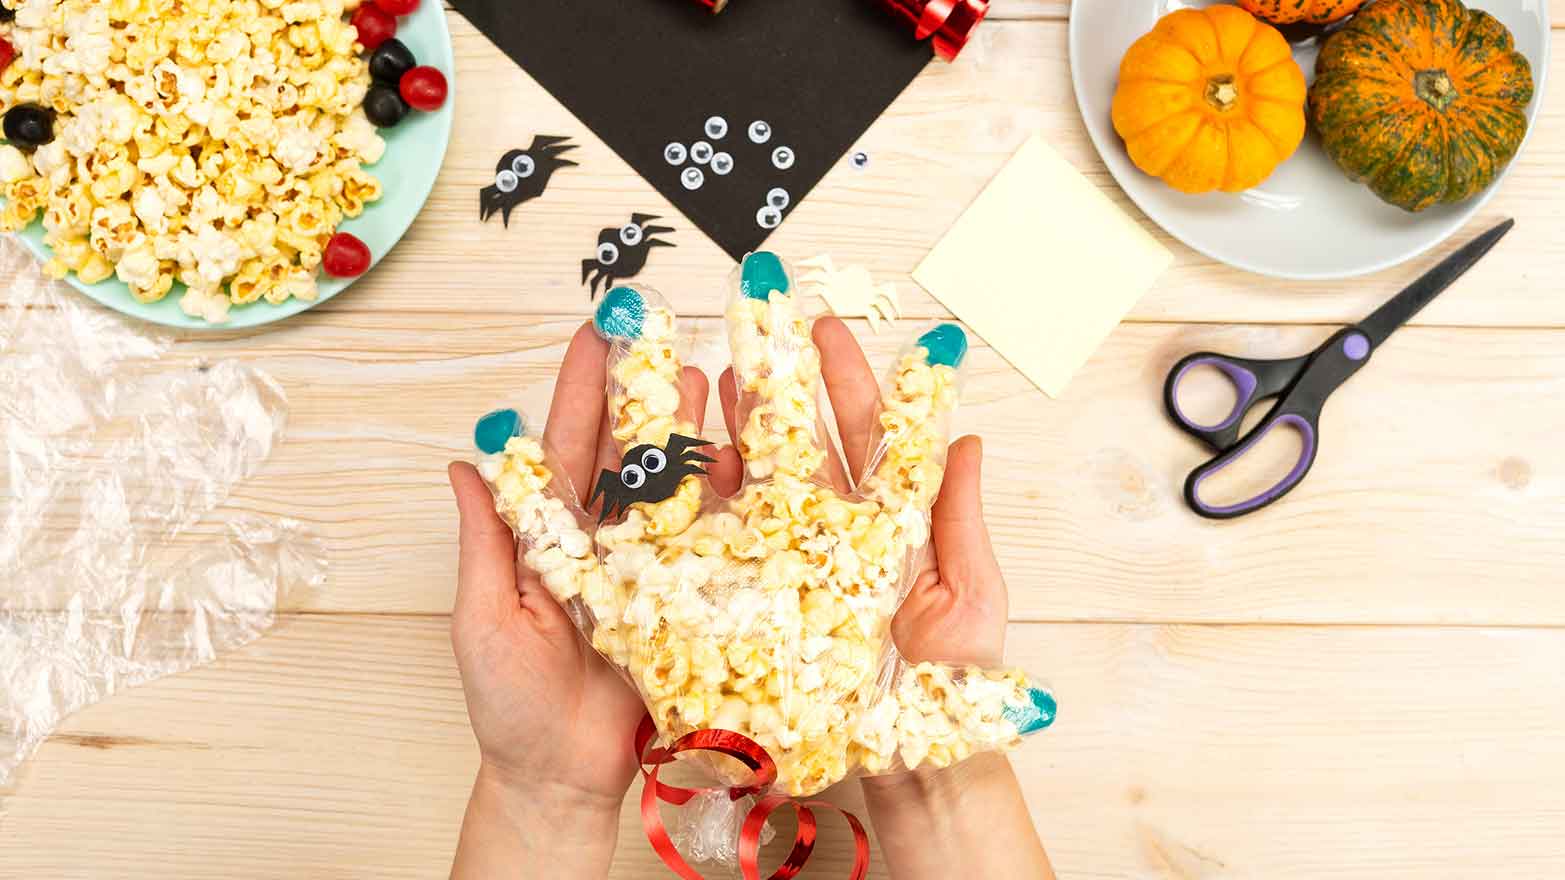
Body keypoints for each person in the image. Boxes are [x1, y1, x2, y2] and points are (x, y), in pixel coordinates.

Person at [447, 317, 1054, 879]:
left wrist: (541, 797)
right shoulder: (838, 717)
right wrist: (949, 773)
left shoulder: (627, 605)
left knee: (637, 502)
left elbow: (589, 583)